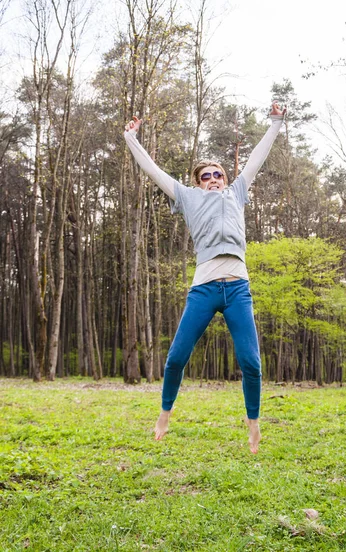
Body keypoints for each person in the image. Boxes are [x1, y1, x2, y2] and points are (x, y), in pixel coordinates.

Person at [124, 102, 286, 453]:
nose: (213, 179)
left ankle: (254, 424)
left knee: (251, 363)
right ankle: (164, 415)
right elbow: (153, 170)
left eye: (218, 174)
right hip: (204, 289)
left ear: (226, 179)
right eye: (206, 175)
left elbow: (257, 158)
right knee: (176, 358)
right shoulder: (188, 197)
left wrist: (274, 123)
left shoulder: (237, 193)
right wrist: (130, 138)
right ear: (198, 182)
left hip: (238, 288)